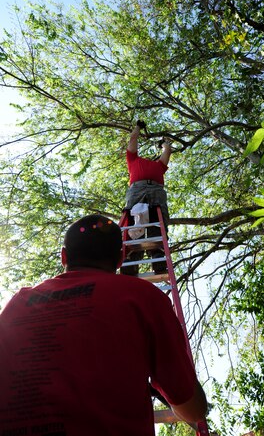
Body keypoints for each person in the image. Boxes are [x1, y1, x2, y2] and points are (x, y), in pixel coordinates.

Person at [0, 214, 207, 436]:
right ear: (121, 258)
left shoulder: (16, 304)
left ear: (63, 256)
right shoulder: (145, 297)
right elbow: (192, 409)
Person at [122, 120, 172, 275]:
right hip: (137, 188)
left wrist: (164, 143)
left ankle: (157, 254)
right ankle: (132, 257)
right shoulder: (133, 160)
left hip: (156, 189)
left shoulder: (159, 166)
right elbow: (133, 140)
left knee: (157, 220)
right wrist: (138, 127)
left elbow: (167, 151)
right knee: (132, 218)